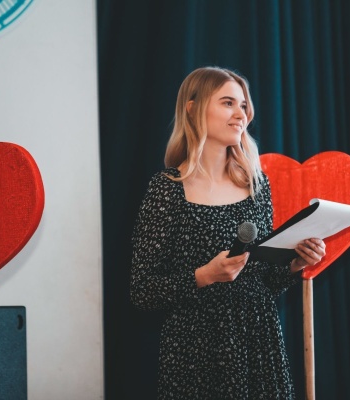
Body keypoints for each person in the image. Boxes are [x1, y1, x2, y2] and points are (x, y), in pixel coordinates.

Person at [130, 66, 326, 399]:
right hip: (196, 353)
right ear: (192, 108)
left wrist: (295, 264)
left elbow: (266, 282)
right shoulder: (167, 189)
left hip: (258, 345)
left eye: (243, 105)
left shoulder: (256, 184)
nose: (241, 114)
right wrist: (205, 276)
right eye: (227, 103)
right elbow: (142, 291)